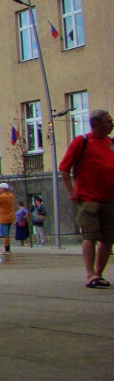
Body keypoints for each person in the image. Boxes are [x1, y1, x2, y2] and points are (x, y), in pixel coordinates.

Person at [59, 109, 114, 288]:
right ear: (96, 124)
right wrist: (71, 191)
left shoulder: (111, 142)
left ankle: (99, 274)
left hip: (109, 198)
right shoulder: (82, 141)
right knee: (90, 236)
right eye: (108, 121)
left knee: (108, 238)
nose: (112, 124)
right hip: (89, 198)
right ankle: (90, 274)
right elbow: (64, 168)